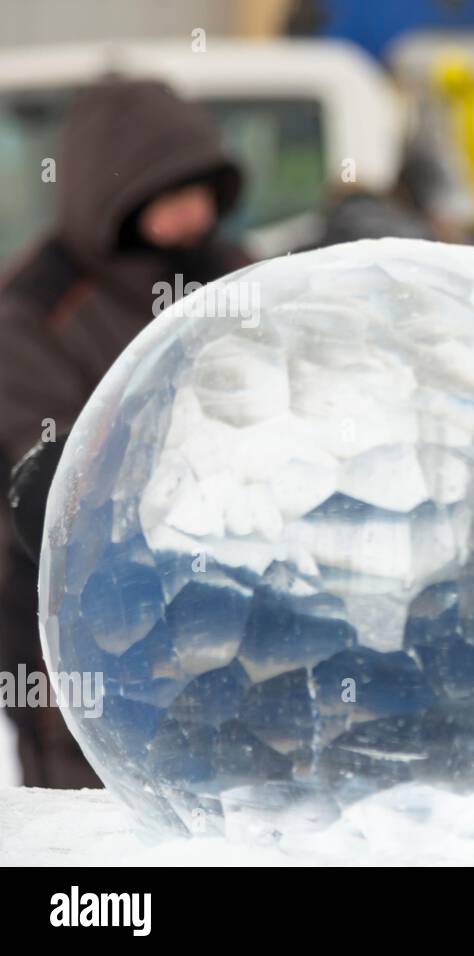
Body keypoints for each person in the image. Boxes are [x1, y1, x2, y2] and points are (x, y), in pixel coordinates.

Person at [0, 76, 248, 788]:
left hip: (228, 613)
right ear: (111, 202)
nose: (196, 215)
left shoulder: (232, 274)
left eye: (203, 191)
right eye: (169, 197)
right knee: (98, 817)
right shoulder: (35, 313)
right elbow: (51, 465)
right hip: (79, 630)